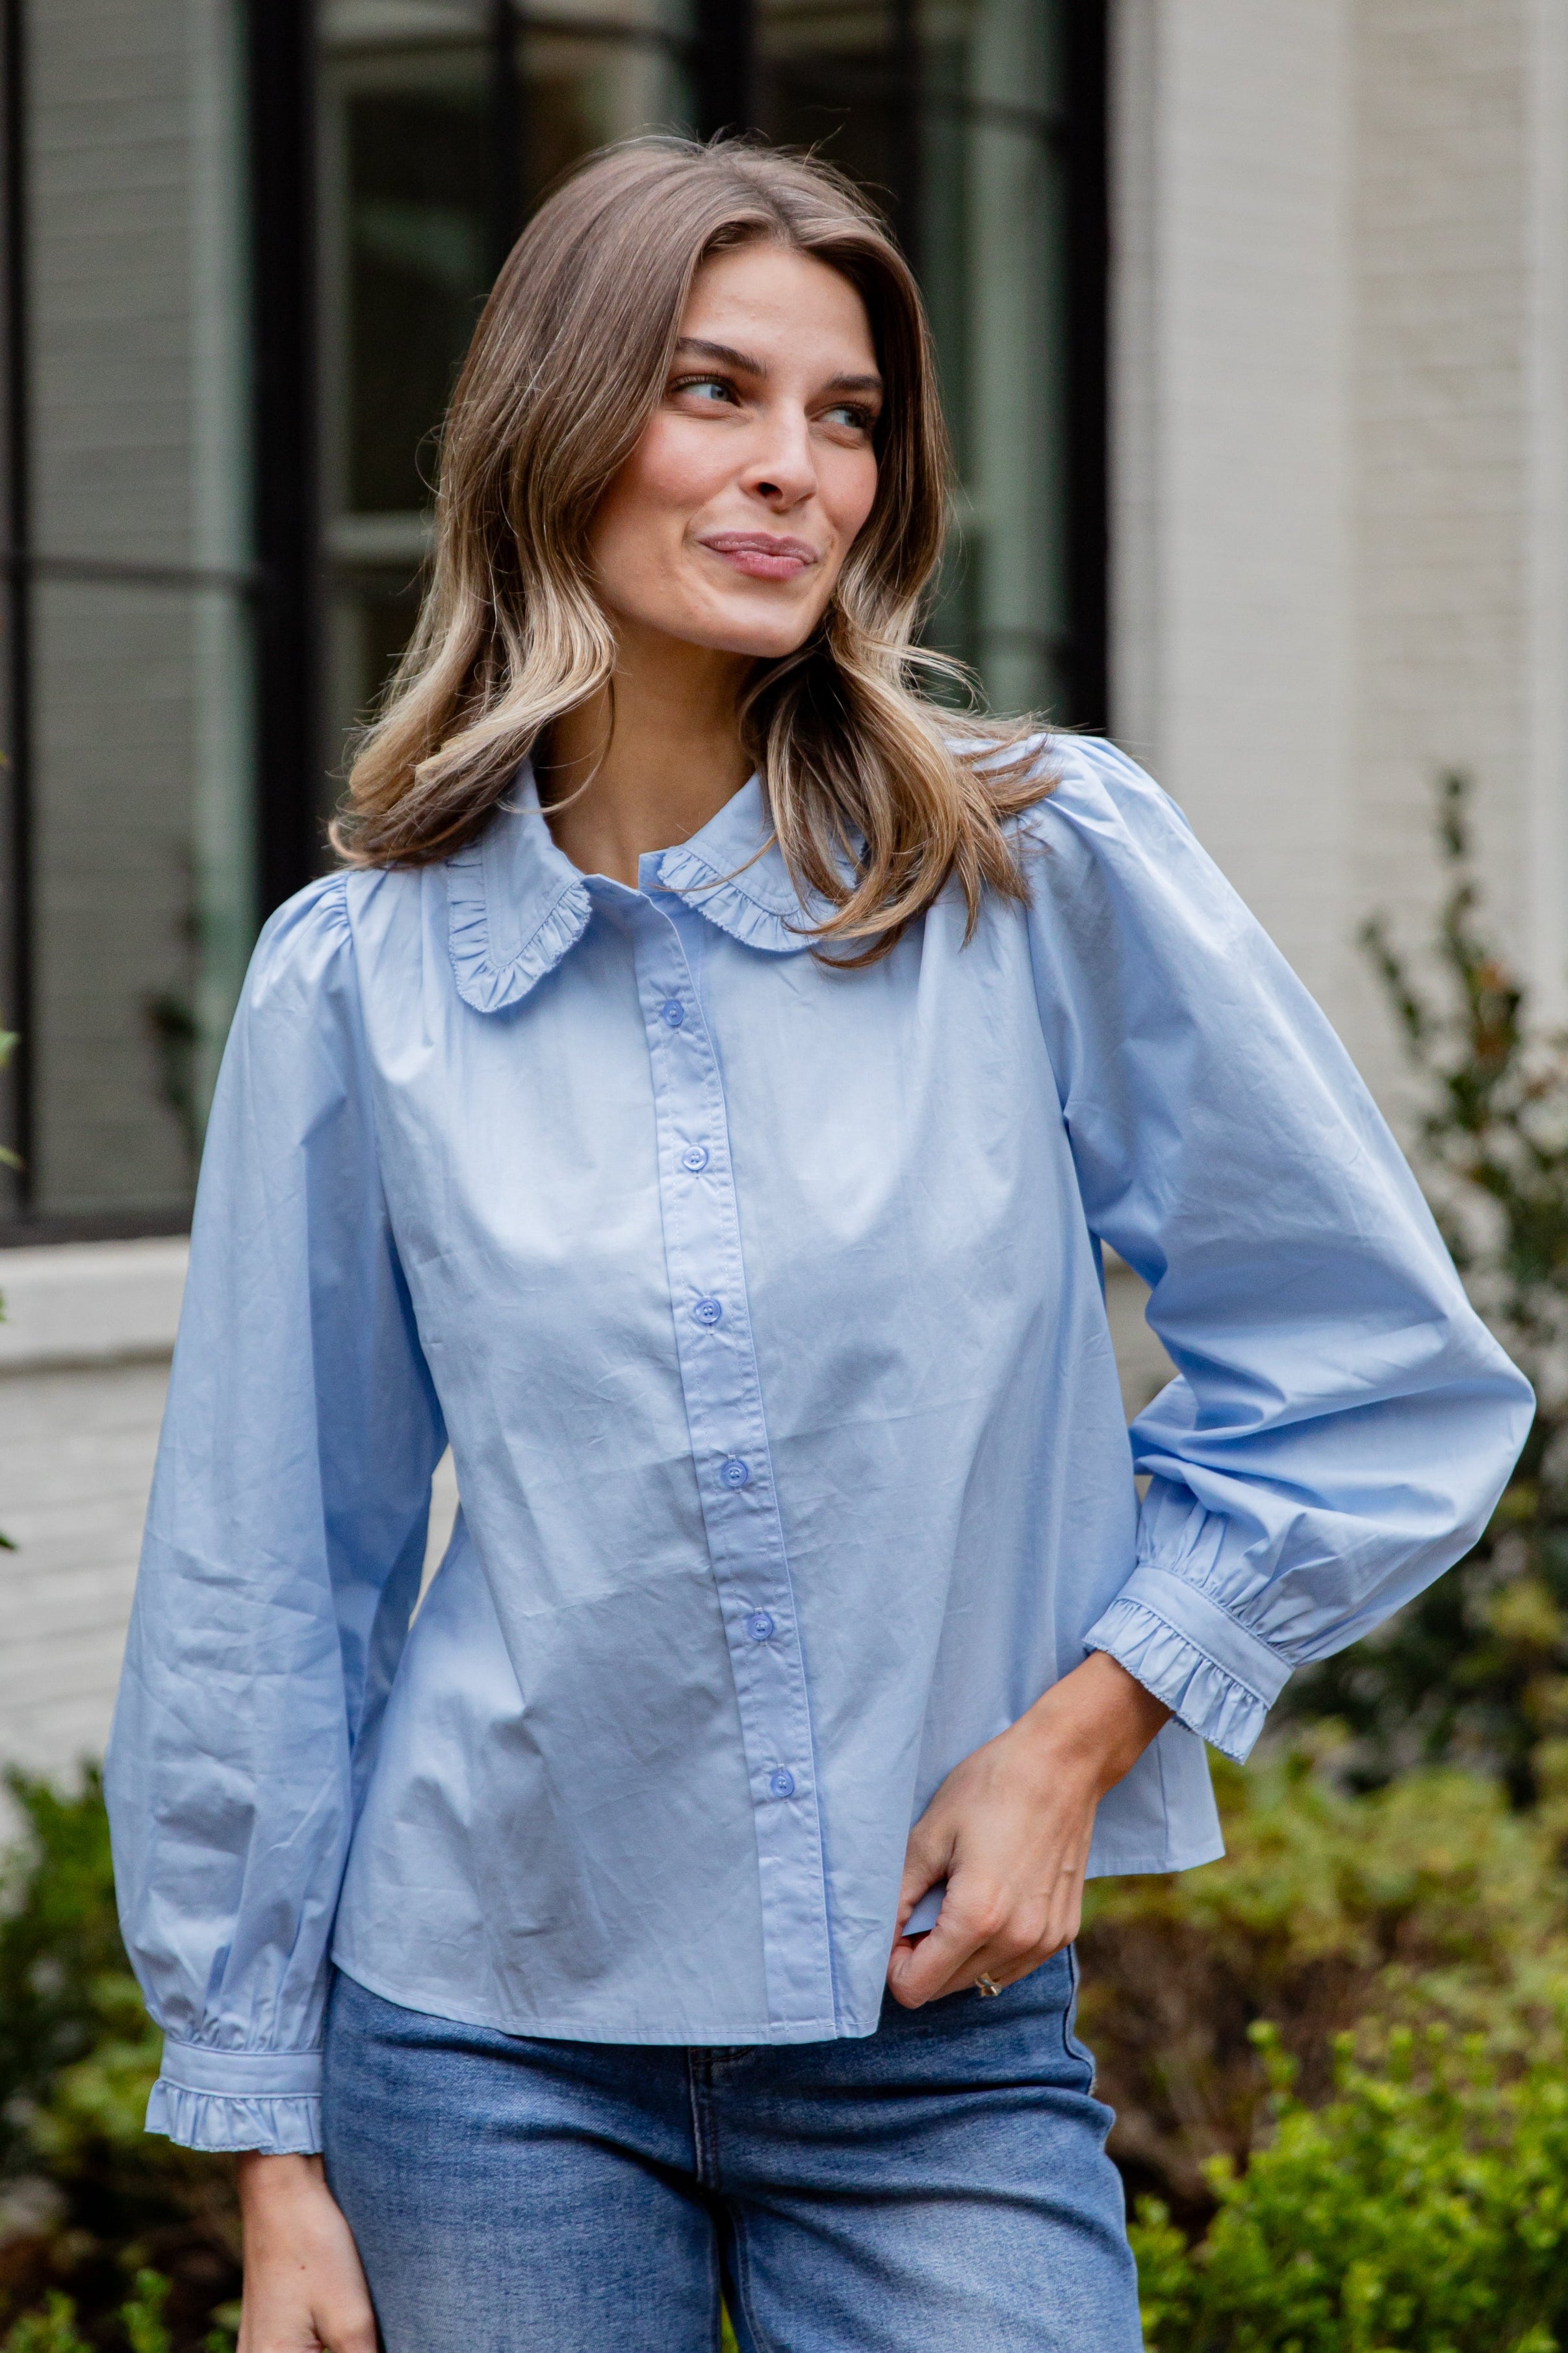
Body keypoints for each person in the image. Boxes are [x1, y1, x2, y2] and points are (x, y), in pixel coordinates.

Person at [105, 137, 1531, 2353]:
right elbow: (268, 1582)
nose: (796, 472)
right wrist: (276, 2159)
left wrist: (1079, 1731)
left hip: (938, 2049)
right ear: (558, 431)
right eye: (715, 393)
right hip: (476, 2051)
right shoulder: (356, 983)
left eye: (846, 415)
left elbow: (1375, 1373)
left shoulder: (1042, 870)